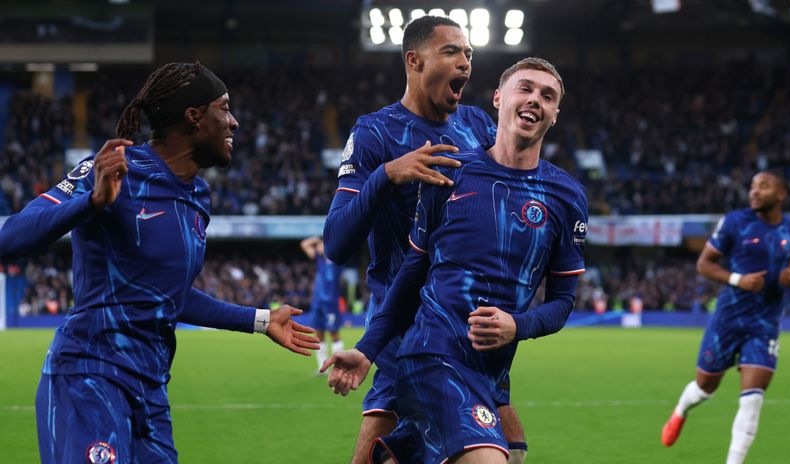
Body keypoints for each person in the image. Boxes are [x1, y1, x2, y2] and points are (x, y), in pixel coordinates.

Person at [0, 62, 320, 464]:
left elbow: (167, 295)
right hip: (90, 376)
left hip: (150, 392)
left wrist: (259, 320)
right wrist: (92, 202)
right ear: (194, 116)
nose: (234, 122)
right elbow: (9, 239)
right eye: (224, 108)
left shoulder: (198, 197)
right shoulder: (114, 168)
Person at [323, 57, 587, 464]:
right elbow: (411, 274)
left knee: (514, 452)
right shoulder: (449, 175)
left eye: (547, 96)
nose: (535, 99)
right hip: (433, 354)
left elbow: (563, 300)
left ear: (555, 114)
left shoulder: (567, 196)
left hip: (490, 369)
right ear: (498, 98)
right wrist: (368, 349)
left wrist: (518, 325)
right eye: (525, 88)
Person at [661, 171, 790, 464]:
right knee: (705, 387)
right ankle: (681, 410)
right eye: (753, 186)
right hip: (728, 319)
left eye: (763, 186)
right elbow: (704, 264)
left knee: (753, 399)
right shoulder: (735, 222)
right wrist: (739, 280)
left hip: (765, 323)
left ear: (781, 194)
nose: (754, 191)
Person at [302, 235, 345, 371]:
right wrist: (316, 239)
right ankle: (322, 368)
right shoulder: (319, 259)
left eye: (320, 244)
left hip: (331, 302)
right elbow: (304, 244)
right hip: (317, 302)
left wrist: (326, 241)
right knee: (318, 334)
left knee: (334, 333)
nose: (317, 247)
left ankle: (339, 366)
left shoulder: (337, 259)